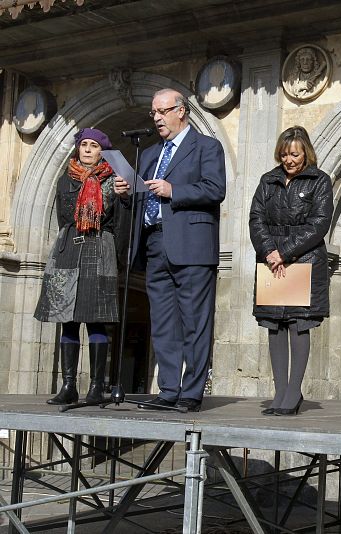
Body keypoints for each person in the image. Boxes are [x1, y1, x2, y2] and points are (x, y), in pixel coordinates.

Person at [114, 88, 226, 412]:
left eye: (163, 111)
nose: (157, 118)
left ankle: (191, 393)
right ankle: (167, 390)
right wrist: (125, 193)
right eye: (154, 113)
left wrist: (173, 189)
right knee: (162, 321)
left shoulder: (206, 147)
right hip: (154, 244)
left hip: (191, 245)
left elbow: (215, 189)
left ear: (181, 111)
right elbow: (140, 199)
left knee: (194, 320)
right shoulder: (149, 155)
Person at [249, 126, 333, 416]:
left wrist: (285, 252)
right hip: (272, 259)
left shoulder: (319, 181)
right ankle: (280, 391)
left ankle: (294, 391)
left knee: (299, 323)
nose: (289, 159)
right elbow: (256, 219)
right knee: (274, 325)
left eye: (294, 154)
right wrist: (269, 251)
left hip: (304, 259)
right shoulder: (268, 181)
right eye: (284, 154)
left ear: (305, 152)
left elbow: (319, 224)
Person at [35, 128, 120, 405]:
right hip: (69, 246)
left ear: (101, 151)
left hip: (99, 247)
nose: (87, 149)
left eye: (93, 145)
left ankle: (96, 387)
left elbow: (115, 217)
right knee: (67, 319)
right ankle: (68, 385)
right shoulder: (66, 179)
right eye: (83, 144)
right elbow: (64, 215)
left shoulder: (112, 181)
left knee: (95, 317)